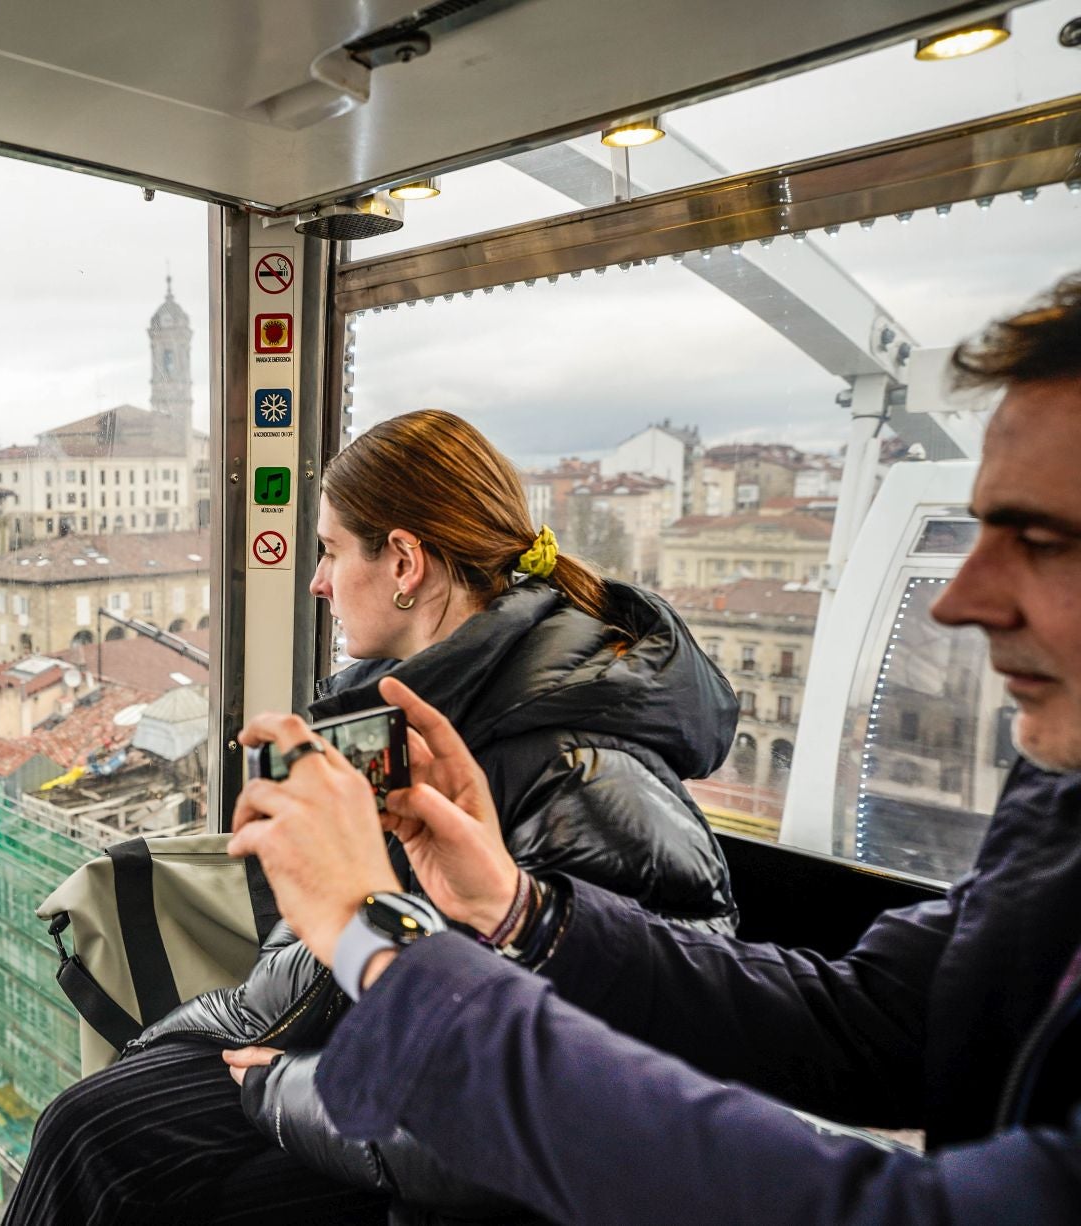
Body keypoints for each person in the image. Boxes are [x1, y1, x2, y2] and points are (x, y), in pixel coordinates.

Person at [223, 273, 1081, 1224]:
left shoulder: (583, 761)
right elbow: (868, 1023)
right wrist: (522, 912)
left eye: (1044, 540)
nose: (958, 601)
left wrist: (380, 952)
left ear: (405, 559)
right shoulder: (1059, 822)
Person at [6, 411, 740, 1224]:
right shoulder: (434, 712)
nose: (317, 583)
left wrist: (283, 1088)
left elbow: (589, 1108)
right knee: (92, 1124)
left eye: (329, 551)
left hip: (434, 1129)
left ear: (403, 562)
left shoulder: (583, 774)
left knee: (97, 1142)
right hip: (367, 1050)